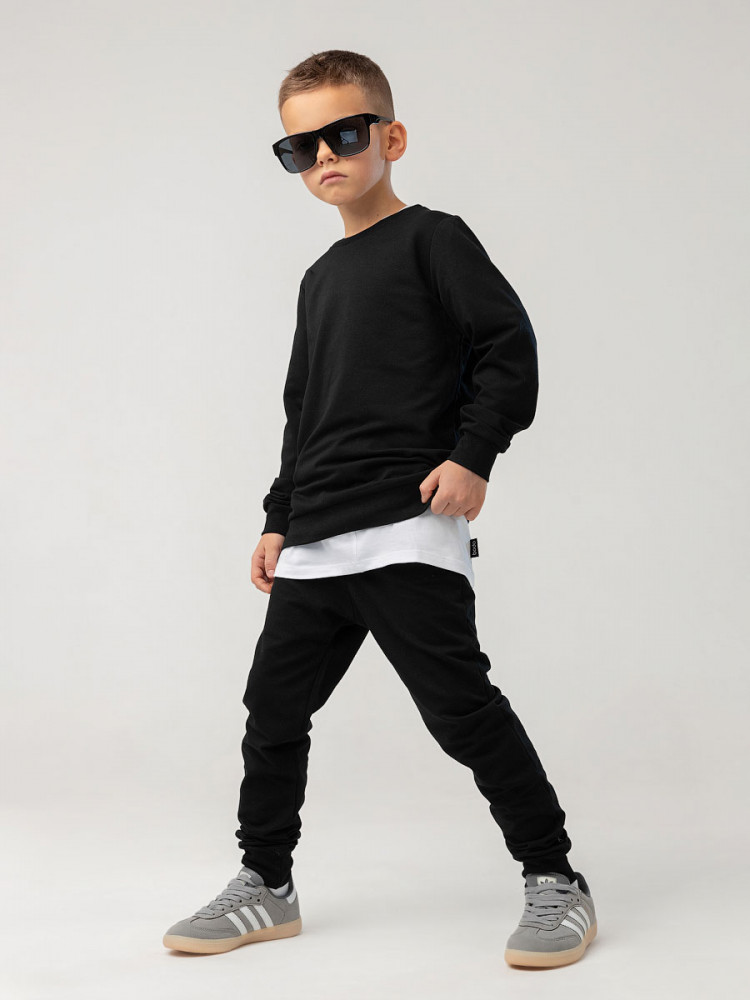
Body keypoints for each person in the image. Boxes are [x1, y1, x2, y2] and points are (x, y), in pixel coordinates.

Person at [163, 48, 597, 970]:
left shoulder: (434, 239)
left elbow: (507, 347)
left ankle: (555, 877)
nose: (325, 155)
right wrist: (279, 517)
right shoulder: (320, 278)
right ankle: (266, 883)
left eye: (345, 133)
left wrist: (473, 455)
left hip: (405, 523)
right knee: (271, 709)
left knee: (460, 710)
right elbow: (304, 410)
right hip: (317, 536)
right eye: (301, 146)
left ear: (390, 138)